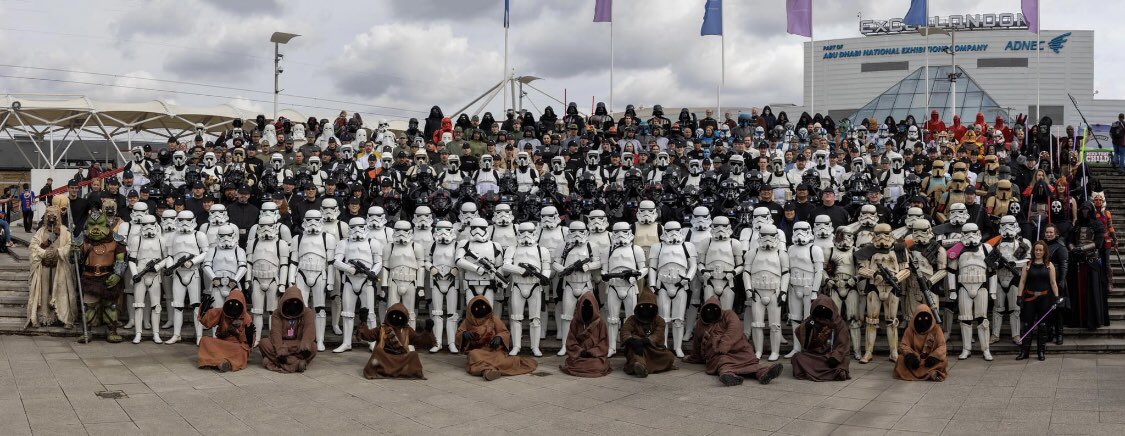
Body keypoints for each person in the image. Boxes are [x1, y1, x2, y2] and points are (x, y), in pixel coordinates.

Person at [684, 296, 784, 386]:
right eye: (708, 309)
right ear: (703, 311)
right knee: (723, 363)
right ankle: (729, 376)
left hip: (738, 348)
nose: (711, 311)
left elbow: (735, 328)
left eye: (714, 309)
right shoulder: (700, 324)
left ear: (719, 309)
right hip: (718, 354)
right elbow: (697, 344)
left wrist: (724, 343)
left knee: (749, 360)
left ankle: (764, 373)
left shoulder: (728, 314)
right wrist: (693, 357)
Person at [456, 296, 537, 381]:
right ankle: (489, 371)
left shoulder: (493, 319)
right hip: (478, 351)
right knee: (473, 355)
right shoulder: (467, 322)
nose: (480, 309)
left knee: (501, 360)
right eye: (476, 308)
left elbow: (504, 332)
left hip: (493, 350)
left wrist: (499, 337)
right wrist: (464, 334)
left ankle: (488, 370)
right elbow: (459, 333)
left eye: (483, 307)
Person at [357, 303, 436, 379]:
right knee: (377, 351)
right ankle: (396, 371)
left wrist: (427, 331)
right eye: (394, 316)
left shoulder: (407, 330)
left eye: (400, 317)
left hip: (401, 359)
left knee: (413, 355)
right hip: (385, 358)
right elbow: (368, 335)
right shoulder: (382, 328)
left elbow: (419, 340)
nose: (396, 318)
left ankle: (396, 371)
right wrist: (363, 321)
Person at [27, 206, 75, 328]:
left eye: (54, 216)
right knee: (43, 293)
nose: (52, 218)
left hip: (59, 268)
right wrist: (44, 253)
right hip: (44, 267)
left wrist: (58, 252)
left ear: (58, 217)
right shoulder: (41, 232)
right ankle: (43, 316)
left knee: (60, 292)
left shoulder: (65, 232)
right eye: (49, 216)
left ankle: (62, 317)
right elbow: (33, 246)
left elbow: (69, 246)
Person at [1016, 241, 1061, 361]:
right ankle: (1024, 352)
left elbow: (1053, 283)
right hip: (1030, 299)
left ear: (1044, 251)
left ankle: (1041, 352)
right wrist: (1019, 297)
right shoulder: (1028, 264)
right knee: (1027, 325)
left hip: (1045, 299)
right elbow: (1022, 282)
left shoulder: (1049, 265)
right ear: (1033, 251)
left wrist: (1056, 297)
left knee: (1042, 325)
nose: (1038, 252)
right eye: (1036, 250)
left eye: (1041, 250)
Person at [791, 295, 851, 382]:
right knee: (797, 357)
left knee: (842, 361)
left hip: (830, 356)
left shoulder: (839, 324)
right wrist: (807, 327)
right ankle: (830, 373)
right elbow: (800, 334)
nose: (823, 311)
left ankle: (835, 371)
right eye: (820, 309)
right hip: (815, 355)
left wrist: (835, 356)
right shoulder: (812, 320)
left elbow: (843, 344)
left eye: (825, 309)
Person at [258, 286, 317, 373]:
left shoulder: (307, 312)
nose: (293, 305)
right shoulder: (277, 313)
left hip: (298, 343)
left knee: (313, 347)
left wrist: (305, 343)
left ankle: (276, 362)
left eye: (296, 302)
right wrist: (280, 348)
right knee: (264, 343)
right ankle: (297, 363)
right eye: (289, 301)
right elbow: (275, 333)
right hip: (282, 343)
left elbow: (309, 329)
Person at [619, 289, 676, 377]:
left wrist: (644, 341)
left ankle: (641, 366)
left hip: (653, 349)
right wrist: (632, 341)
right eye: (643, 306)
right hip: (636, 347)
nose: (646, 310)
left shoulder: (659, 321)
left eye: (649, 307)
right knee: (636, 355)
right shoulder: (632, 319)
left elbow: (658, 334)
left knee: (669, 357)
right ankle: (640, 367)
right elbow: (625, 331)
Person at [197, 290, 254, 373]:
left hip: (236, 345)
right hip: (222, 342)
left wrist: (237, 333)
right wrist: (204, 312)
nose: (233, 307)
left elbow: (249, 343)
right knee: (204, 340)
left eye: (237, 304)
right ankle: (222, 361)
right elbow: (207, 322)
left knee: (242, 351)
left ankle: (220, 361)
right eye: (231, 303)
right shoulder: (222, 312)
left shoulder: (247, 318)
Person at [559, 292, 611, 377]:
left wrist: (592, 352)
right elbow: (570, 342)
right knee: (574, 364)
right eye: (584, 307)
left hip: (595, 357)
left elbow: (603, 343)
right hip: (579, 356)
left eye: (590, 307)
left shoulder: (600, 322)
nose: (587, 310)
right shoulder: (575, 321)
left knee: (597, 365)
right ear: (579, 307)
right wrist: (580, 352)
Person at [893, 304, 948, 382]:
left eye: (926, 318)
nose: (923, 322)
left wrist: (934, 357)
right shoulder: (910, 329)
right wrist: (910, 356)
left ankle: (922, 373)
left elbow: (942, 346)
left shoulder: (936, 329)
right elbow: (904, 345)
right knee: (900, 359)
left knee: (944, 361)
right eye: (919, 318)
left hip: (929, 360)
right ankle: (930, 373)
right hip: (915, 360)